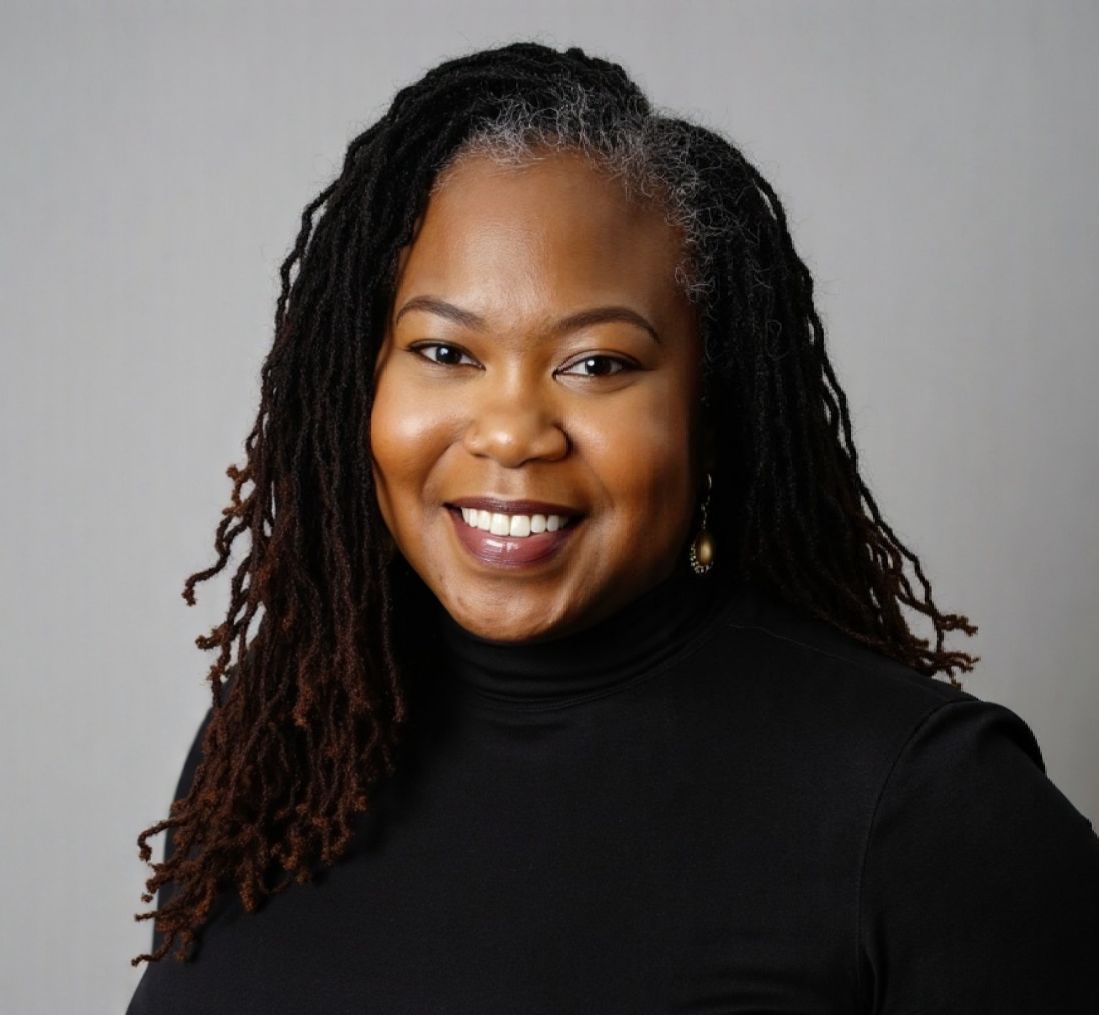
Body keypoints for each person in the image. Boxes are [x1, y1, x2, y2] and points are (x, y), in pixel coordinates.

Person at [126, 41, 1099, 1013]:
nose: (510, 432)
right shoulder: (283, 738)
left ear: (710, 405)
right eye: (443, 349)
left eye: (596, 364)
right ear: (362, 381)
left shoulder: (923, 807)